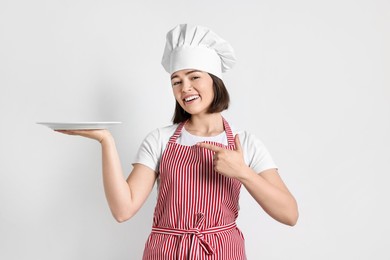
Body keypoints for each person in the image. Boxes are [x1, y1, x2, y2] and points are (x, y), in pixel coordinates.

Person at [58, 24, 298, 260]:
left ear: (215, 81)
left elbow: (290, 214)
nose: (185, 88)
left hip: (223, 253)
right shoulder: (159, 140)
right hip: (165, 253)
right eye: (176, 81)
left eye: (194, 77)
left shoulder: (243, 143)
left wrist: (243, 172)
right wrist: (105, 140)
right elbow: (123, 210)